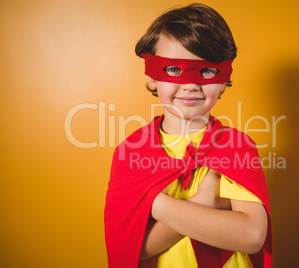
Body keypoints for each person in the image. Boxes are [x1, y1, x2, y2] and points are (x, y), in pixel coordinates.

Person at [104, 3, 272, 268]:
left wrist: (154, 204)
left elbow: (251, 236)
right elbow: (131, 248)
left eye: (207, 70)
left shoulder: (236, 147)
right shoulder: (132, 152)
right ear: (151, 76)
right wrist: (204, 202)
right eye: (173, 69)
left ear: (223, 78)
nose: (191, 85)